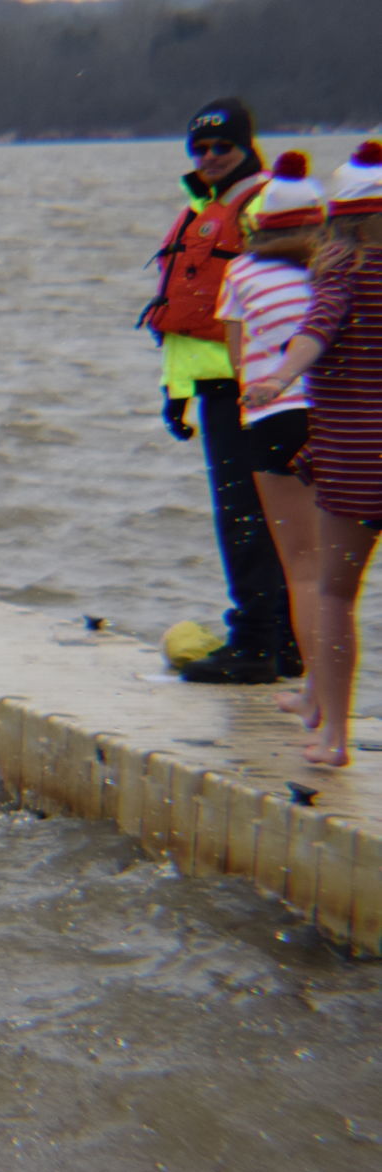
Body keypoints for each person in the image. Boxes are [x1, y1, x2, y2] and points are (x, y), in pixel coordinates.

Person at [138, 98, 295, 684]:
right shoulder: (203, 210)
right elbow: (188, 320)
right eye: (199, 148)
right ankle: (283, 641)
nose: (208, 157)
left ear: (246, 146)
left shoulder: (260, 206)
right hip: (213, 385)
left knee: (246, 516)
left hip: (253, 388)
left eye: (221, 146)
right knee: (252, 514)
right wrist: (174, 393)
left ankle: (257, 643)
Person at [242, 142, 382, 766]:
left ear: (339, 219)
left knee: (332, 595)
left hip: (356, 458)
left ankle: (333, 737)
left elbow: (315, 333)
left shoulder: (344, 271)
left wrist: (276, 378)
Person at [216, 152, 327, 725]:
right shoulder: (338, 271)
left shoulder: (240, 273)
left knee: (304, 569)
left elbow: (238, 357)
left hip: (275, 417)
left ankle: (317, 696)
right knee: (340, 573)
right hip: (340, 419)